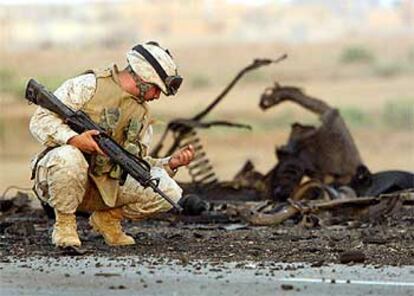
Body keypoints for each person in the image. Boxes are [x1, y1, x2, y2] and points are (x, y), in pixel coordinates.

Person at [29, 41, 195, 247]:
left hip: (103, 188)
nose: (156, 96)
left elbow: (135, 164)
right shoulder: (89, 85)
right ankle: (65, 226)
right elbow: (40, 120)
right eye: (155, 89)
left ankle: (107, 220)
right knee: (68, 156)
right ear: (143, 79)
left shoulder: (141, 115)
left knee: (168, 191)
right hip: (60, 178)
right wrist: (73, 139)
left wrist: (170, 164)